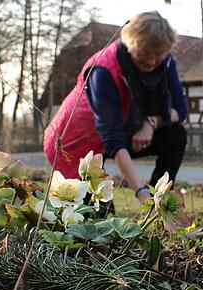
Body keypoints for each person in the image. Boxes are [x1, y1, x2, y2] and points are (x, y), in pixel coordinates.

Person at [43, 11, 187, 204]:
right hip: (74, 145)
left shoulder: (166, 62)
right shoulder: (103, 71)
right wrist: (140, 191)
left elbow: (180, 109)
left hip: (122, 130)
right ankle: (144, 200)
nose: (152, 62)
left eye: (158, 55)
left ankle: (159, 200)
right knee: (99, 223)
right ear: (130, 45)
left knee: (175, 134)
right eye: (144, 54)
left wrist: (150, 124)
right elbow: (112, 138)